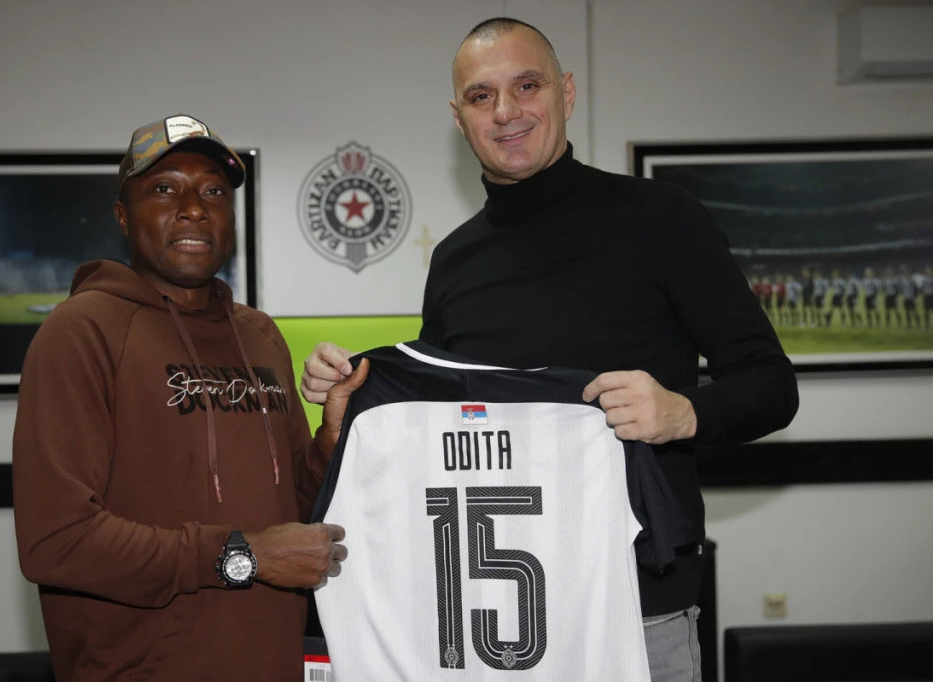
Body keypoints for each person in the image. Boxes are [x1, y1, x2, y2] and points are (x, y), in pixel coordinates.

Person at [301, 18, 798, 682]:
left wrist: (683, 413)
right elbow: (441, 428)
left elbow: (772, 385)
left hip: (636, 607)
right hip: (490, 616)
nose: (506, 111)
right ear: (458, 117)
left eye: (527, 85)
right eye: (481, 96)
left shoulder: (662, 218)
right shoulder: (455, 260)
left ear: (566, 91)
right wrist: (352, 394)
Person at [13, 113, 367, 682]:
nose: (194, 208)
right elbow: (57, 541)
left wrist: (330, 440)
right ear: (123, 216)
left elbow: (293, 509)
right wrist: (244, 555)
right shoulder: (81, 331)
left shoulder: (259, 335)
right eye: (164, 189)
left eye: (213, 192)